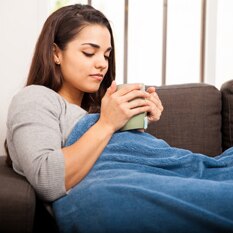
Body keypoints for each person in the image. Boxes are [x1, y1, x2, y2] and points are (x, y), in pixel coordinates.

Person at [5, 4, 233, 233]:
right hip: (122, 187)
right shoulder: (34, 98)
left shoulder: (98, 108)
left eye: (106, 55)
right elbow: (47, 179)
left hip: (184, 169)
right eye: (88, 52)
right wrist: (107, 123)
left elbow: (131, 157)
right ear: (56, 53)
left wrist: (137, 121)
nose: (102, 63)